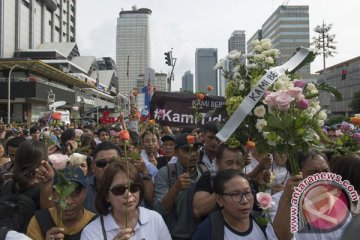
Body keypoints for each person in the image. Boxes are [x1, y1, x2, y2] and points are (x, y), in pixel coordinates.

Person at [271, 150, 352, 240]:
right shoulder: (276, 203)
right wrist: (287, 199)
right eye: (313, 173)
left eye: (326, 171)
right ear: (295, 175)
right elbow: (280, 237)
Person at [81, 161, 171, 239]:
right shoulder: (91, 232)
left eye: (134, 187)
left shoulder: (154, 219)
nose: (128, 194)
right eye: (119, 190)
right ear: (106, 196)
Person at [192, 169, 277, 239]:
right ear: (219, 199)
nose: (244, 200)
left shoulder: (263, 224)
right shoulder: (207, 231)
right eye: (235, 194)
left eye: (247, 192)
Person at [153, 133, 204, 239]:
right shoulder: (165, 173)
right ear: (175, 152)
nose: (193, 154)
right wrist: (175, 189)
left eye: (196, 149)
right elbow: (159, 210)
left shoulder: (205, 171)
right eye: (187, 150)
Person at [27, 167, 95, 240]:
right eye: (61, 193)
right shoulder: (39, 221)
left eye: (75, 194)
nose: (68, 202)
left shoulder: (96, 224)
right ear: (53, 195)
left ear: (85, 193)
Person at [193, 143, 245, 219]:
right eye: (229, 163)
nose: (234, 167)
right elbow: (198, 210)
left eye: (238, 163)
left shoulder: (245, 182)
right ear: (217, 163)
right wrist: (227, 187)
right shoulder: (208, 178)